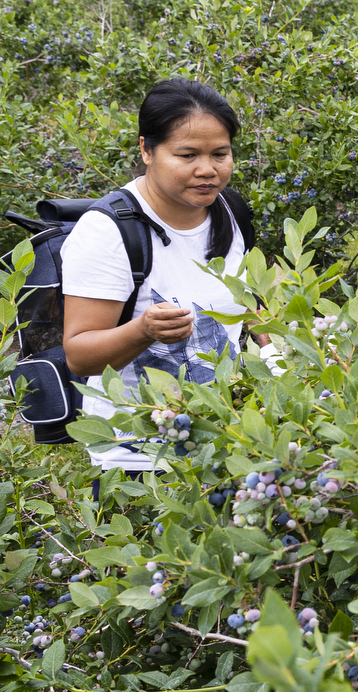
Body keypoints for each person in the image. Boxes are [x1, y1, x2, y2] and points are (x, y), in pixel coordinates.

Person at [60, 78, 260, 490]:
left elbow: (249, 308)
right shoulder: (108, 232)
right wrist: (143, 331)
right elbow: (80, 356)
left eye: (220, 154)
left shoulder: (230, 210)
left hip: (223, 441)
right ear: (146, 150)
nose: (207, 169)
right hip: (138, 460)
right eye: (186, 154)